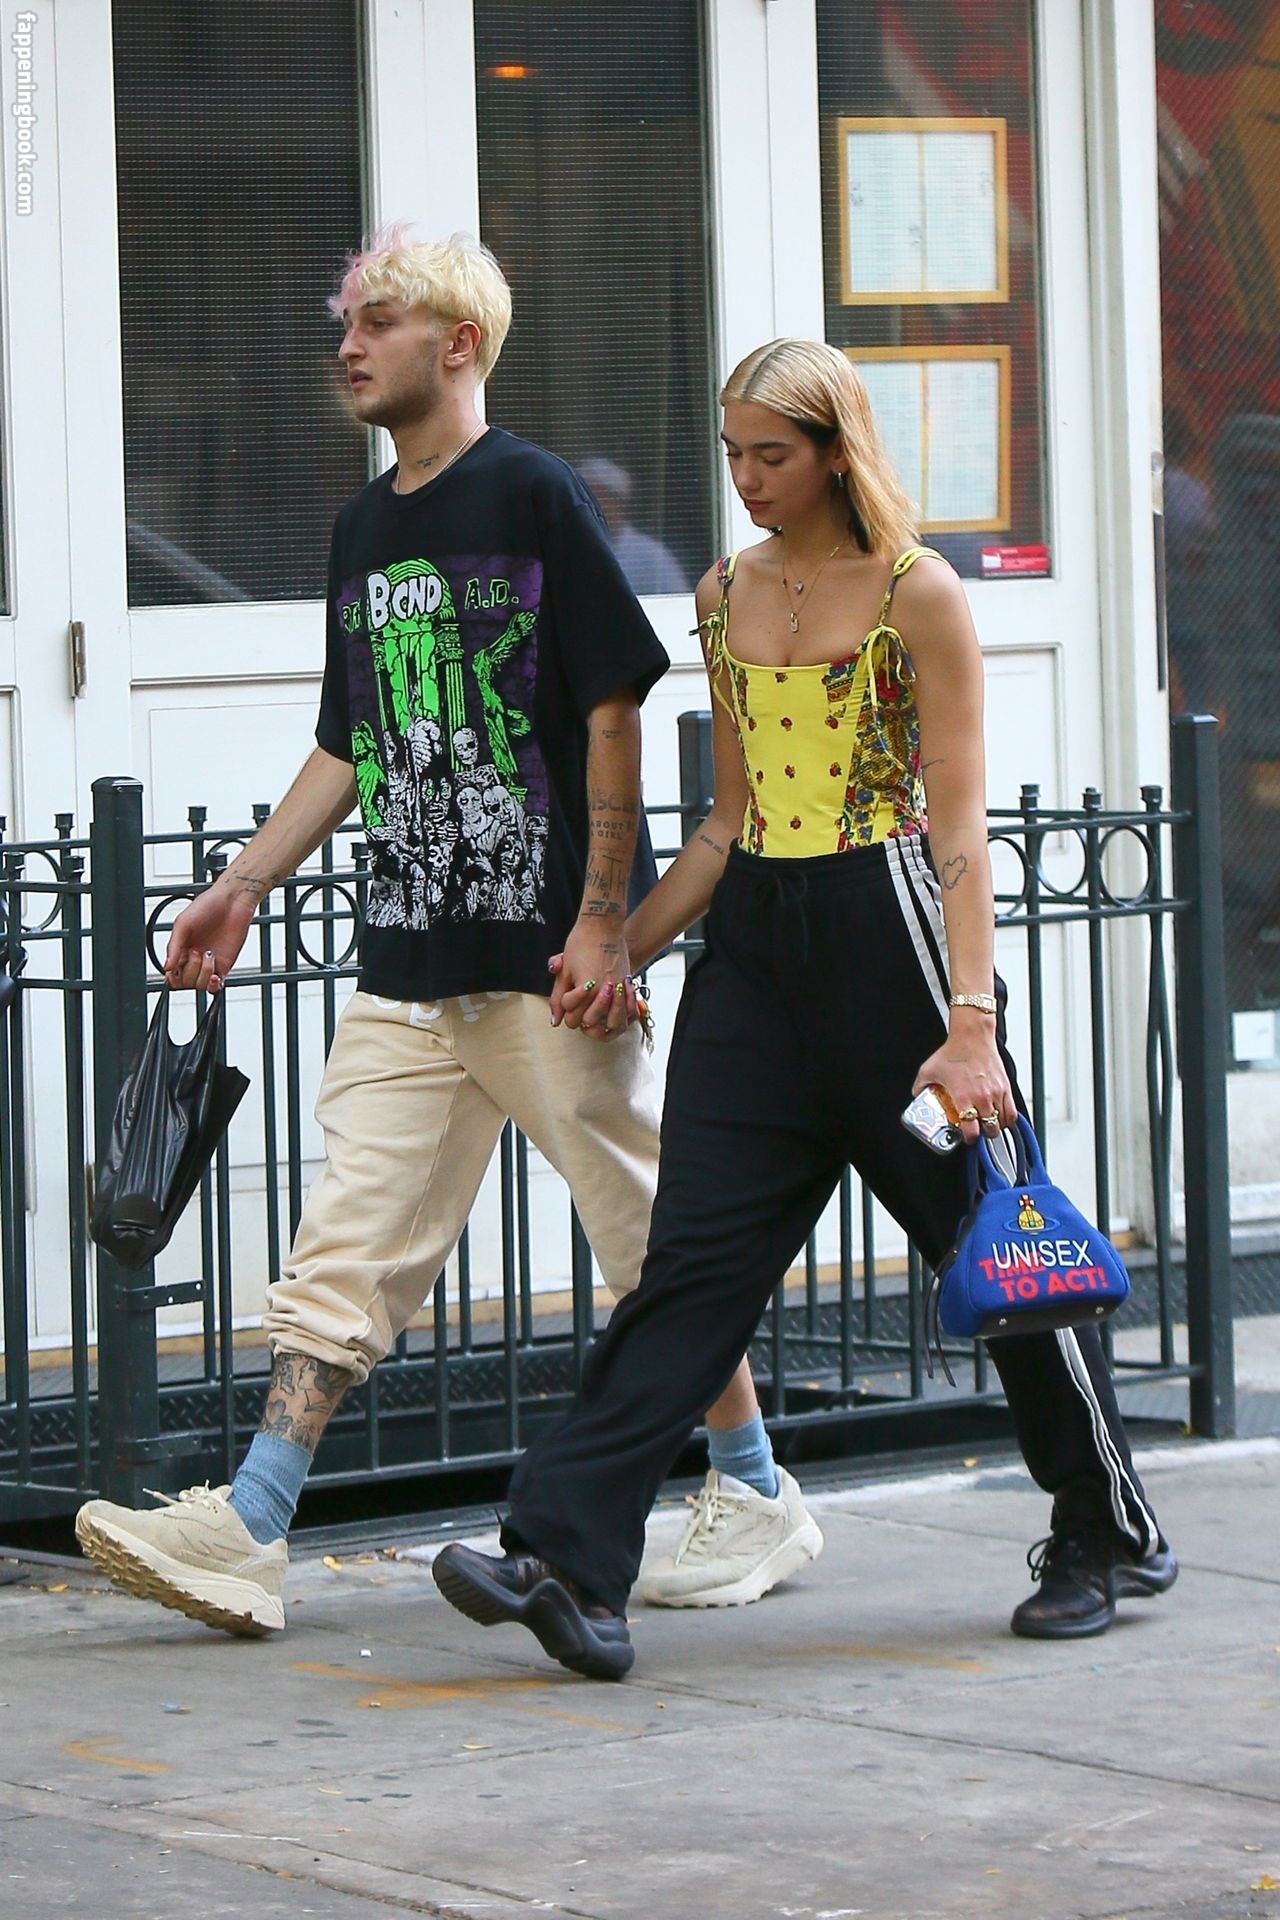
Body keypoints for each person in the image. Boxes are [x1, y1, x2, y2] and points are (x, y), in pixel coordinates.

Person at [75, 235, 820, 1634]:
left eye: (378, 320)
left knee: (642, 1231)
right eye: (345, 322)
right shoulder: (363, 529)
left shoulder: (532, 494)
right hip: (409, 953)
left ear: (459, 342)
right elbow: (349, 742)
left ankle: (753, 1486)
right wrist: (243, 884)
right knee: (346, 1242)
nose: (347, 345)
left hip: (544, 961)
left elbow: (611, 708)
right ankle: (251, 1524)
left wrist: (602, 921)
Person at [432, 338, 1179, 1679]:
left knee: (1002, 1251)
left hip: (898, 951)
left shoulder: (915, 591)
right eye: (732, 454)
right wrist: (620, 950)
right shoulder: (721, 593)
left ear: (837, 451)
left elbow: (956, 822)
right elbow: (725, 822)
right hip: (756, 959)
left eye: (771, 455)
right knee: (691, 1268)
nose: (747, 479)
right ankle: (565, 1560)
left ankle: (1104, 1528)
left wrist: (969, 1022)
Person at [579, 456, 688, 596]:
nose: (594, 507)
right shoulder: (569, 549)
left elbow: (677, 599)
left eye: (602, 498)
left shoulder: (651, 556)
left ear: (620, 504)